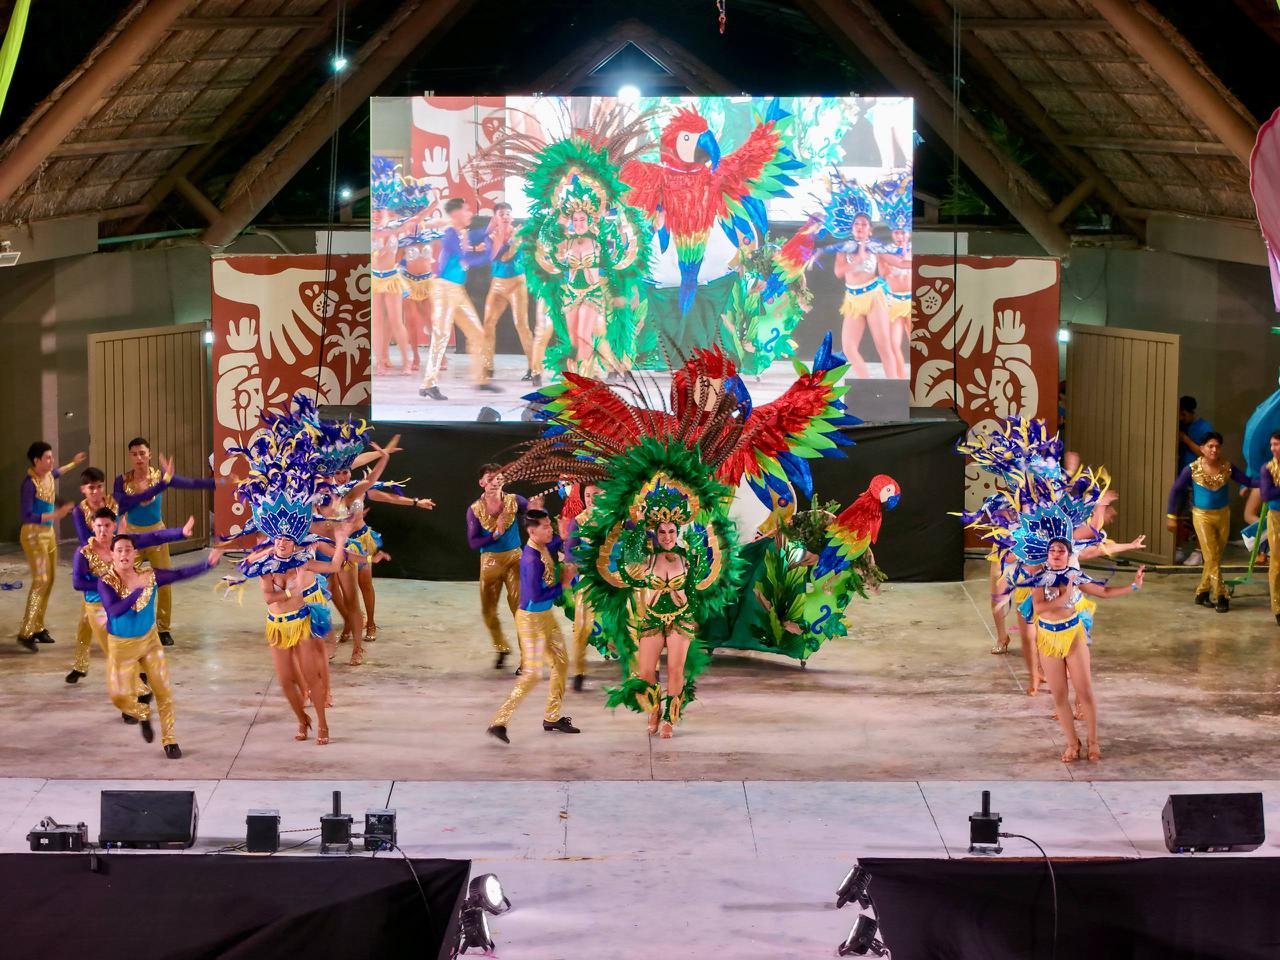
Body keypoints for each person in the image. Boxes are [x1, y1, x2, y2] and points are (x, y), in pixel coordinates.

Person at [97, 534, 222, 758]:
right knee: (119, 697)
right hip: (121, 647)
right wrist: (136, 589)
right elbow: (114, 610)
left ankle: (170, 740)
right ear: (112, 555)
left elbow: (179, 574)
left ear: (135, 553)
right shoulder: (106, 581)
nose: (124, 554)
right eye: (119, 550)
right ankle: (142, 712)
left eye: (128, 549)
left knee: (163, 690)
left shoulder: (150, 576)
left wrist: (207, 564)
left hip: (149, 642)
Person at [1030, 537, 1144, 763]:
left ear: (1068, 554)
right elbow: (1039, 607)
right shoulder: (1038, 578)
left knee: (1085, 692)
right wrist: (1064, 597)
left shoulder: (1075, 576)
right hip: (1048, 638)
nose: (1055, 553)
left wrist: (1133, 586)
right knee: (1060, 695)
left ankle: (1093, 741)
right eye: (1052, 550)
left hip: (1072, 635)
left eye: (1060, 550)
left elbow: (1104, 592)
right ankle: (1073, 743)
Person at [67, 507, 190, 688]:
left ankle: (139, 682)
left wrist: (181, 532)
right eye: (99, 526)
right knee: (116, 653)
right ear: (92, 526)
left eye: (107, 526)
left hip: (124, 604)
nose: (103, 530)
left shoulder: (123, 545)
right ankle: (133, 698)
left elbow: (155, 537)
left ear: (114, 526)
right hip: (99, 608)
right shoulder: (84, 552)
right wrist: (107, 586)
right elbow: (78, 583)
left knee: (136, 643)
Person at [486, 509, 579, 743]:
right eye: (546, 527)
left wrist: (567, 533)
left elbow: (562, 541)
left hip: (546, 617)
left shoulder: (544, 544)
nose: (551, 530)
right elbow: (535, 596)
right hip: (530, 621)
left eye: (550, 525)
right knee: (532, 675)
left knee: (561, 662)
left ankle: (551, 717)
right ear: (531, 531)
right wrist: (565, 584)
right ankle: (498, 722)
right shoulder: (530, 560)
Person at [114, 437, 215, 646]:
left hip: (157, 535)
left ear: (149, 454)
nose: (139, 458)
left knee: (164, 582)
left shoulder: (161, 476)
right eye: (134, 454)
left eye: (142, 453)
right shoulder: (122, 480)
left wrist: (218, 482)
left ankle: (163, 628)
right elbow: (118, 508)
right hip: (132, 539)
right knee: (123, 581)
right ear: (129, 456)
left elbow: (192, 483)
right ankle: (127, 622)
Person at [417, 197, 499, 400]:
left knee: (477, 333)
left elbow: (483, 233)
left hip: (458, 291)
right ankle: (429, 383)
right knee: (441, 335)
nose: (470, 213)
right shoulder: (450, 235)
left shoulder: (464, 233)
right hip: (444, 289)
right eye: (467, 210)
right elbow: (469, 258)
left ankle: (481, 380)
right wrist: (490, 251)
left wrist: (495, 224)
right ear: (455, 214)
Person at [1166, 432, 1254, 612]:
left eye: (1217, 446)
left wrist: (1270, 481)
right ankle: (1222, 596)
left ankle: (1202, 593)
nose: (1214, 450)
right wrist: (1171, 516)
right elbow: (1175, 491)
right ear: (1202, 448)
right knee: (1212, 556)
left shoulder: (1227, 466)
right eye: (1210, 446)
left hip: (1223, 516)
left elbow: (1248, 480)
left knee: (1213, 558)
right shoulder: (1191, 468)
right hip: (1202, 517)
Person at [17, 442, 85, 650]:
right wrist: (56, 514)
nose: (51, 461)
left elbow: (57, 472)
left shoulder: (47, 475)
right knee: (41, 580)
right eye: (47, 457)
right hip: (33, 535)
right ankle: (26, 632)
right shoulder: (29, 484)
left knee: (51, 580)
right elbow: (27, 515)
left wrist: (73, 463)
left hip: (48, 534)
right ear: (36, 461)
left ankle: (38, 626)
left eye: (51, 457)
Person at [467, 464, 530, 669]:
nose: (495, 481)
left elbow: (535, 517)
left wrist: (537, 512)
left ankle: (527, 660)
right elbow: (473, 542)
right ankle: (501, 646)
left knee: (520, 610)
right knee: (488, 612)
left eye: (498, 478)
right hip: (490, 563)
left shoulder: (515, 501)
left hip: (515, 560)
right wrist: (495, 535)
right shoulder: (475, 510)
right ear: (481, 483)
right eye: (490, 478)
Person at [483, 202, 546, 385]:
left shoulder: (519, 234)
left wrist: (514, 239)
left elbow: (507, 256)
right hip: (497, 284)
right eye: (501, 214)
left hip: (517, 283)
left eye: (508, 213)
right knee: (488, 322)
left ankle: (534, 368)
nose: (505, 216)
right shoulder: (492, 236)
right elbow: (494, 256)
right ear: (495, 217)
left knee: (521, 325)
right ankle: (487, 366)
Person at [564, 482, 602, 691]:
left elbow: (638, 537)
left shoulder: (617, 517)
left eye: (596, 494)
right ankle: (579, 672)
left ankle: (641, 670)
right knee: (581, 626)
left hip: (615, 579)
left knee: (633, 621)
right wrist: (575, 562)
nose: (591, 499)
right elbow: (569, 549)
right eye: (587, 495)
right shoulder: (578, 521)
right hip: (589, 579)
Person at [1174, 396, 1215, 564]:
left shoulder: (1204, 427)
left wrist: (1185, 439)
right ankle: (1177, 548)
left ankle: (1199, 552)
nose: (1181, 418)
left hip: (1199, 479)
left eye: (1183, 415)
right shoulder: (1180, 425)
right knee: (1176, 515)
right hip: (1181, 478)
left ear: (1191, 413)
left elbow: (1206, 453)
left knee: (1198, 516)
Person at [1257, 430, 1280, 625]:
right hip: (1276, 518)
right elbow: (1266, 494)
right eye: (1272, 444)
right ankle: (1277, 606)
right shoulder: (1267, 469)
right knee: (1277, 563)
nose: (1273, 448)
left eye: (1277, 444)